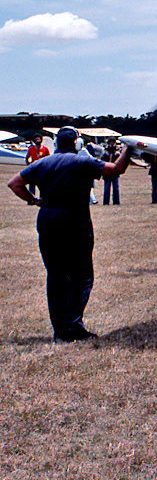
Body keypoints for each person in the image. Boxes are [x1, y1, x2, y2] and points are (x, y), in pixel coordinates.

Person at [7, 126, 133, 342]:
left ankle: (59, 330)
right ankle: (73, 324)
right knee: (82, 276)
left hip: (47, 219)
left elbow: (14, 183)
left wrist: (34, 200)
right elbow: (116, 169)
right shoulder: (82, 161)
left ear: (56, 144)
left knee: (55, 275)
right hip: (75, 220)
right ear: (77, 144)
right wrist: (129, 147)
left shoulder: (41, 163)